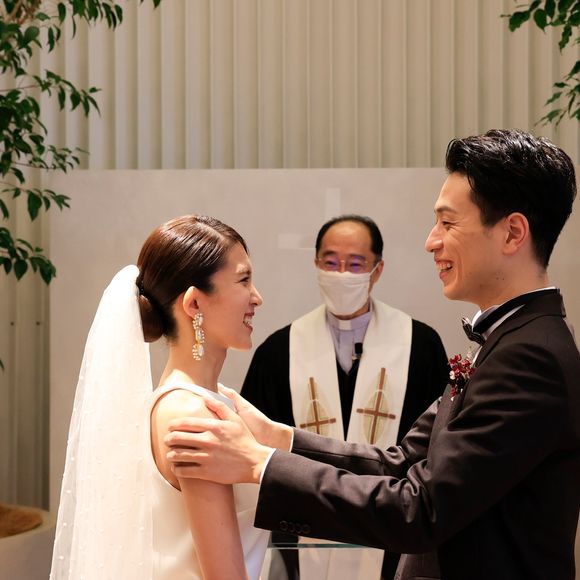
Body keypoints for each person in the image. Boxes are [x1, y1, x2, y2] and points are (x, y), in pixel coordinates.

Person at [165, 130, 580, 580]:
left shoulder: (529, 356)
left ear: (512, 233)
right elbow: (401, 462)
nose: (431, 241)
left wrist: (257, 464)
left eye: (448, 223)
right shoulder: (511, 339)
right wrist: (278, 438)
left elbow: (421, 509)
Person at [50, 215, 269, 580]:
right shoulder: (193, 415)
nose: (257, 297)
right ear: (194, 304)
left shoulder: (184, 401)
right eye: (244, 280)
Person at [241, 215, 449, 579]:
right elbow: (254, 451)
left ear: (377, 270)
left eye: (355, 264)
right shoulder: (278, 352)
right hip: (302, 541)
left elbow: (433, 451)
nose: (341, 274)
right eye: (330, 262)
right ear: (316, 264)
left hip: (393, 540)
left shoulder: (421, 346)